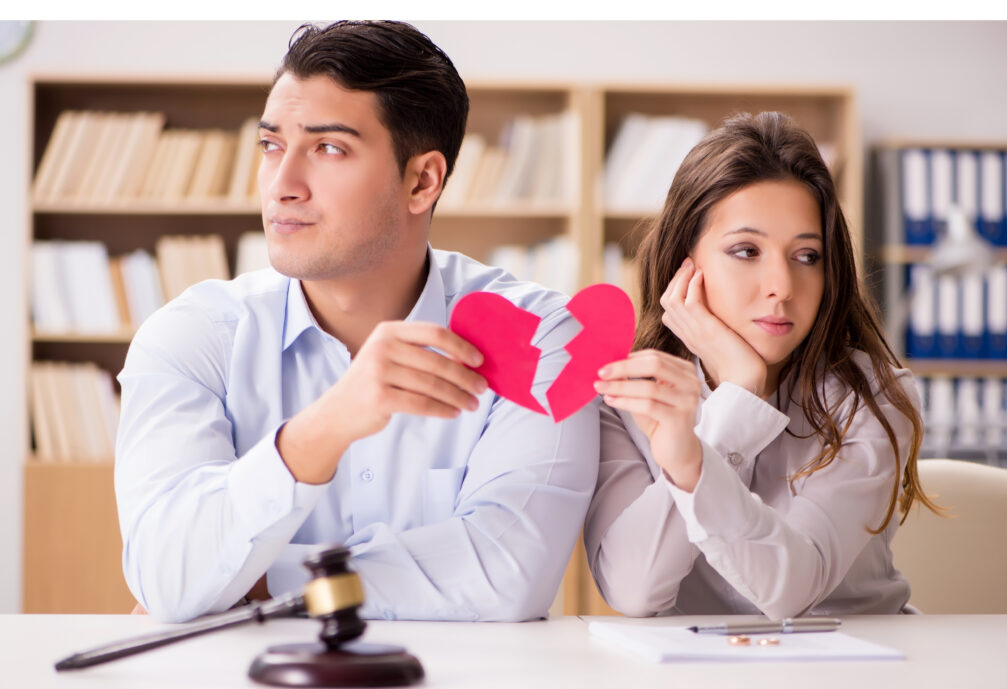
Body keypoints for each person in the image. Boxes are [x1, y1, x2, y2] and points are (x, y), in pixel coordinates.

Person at [115, 20, 599, 624]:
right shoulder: (192, 335)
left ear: (422, 181)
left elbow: (508, 573)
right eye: (271, 146)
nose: (281, 186)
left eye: (329, 149)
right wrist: (323, 429)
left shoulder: (538, 334)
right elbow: (167, 572)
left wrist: (260, 581)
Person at [584, 111, 941, 619]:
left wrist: (714, 429)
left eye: (807, 256)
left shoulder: (873, 396)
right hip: (696, 683)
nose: (782, 286)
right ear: (686, 262)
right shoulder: (628, 393)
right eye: (746, 250)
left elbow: (793, 590)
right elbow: (634, 592)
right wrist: (736, 400)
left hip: (857, 669)